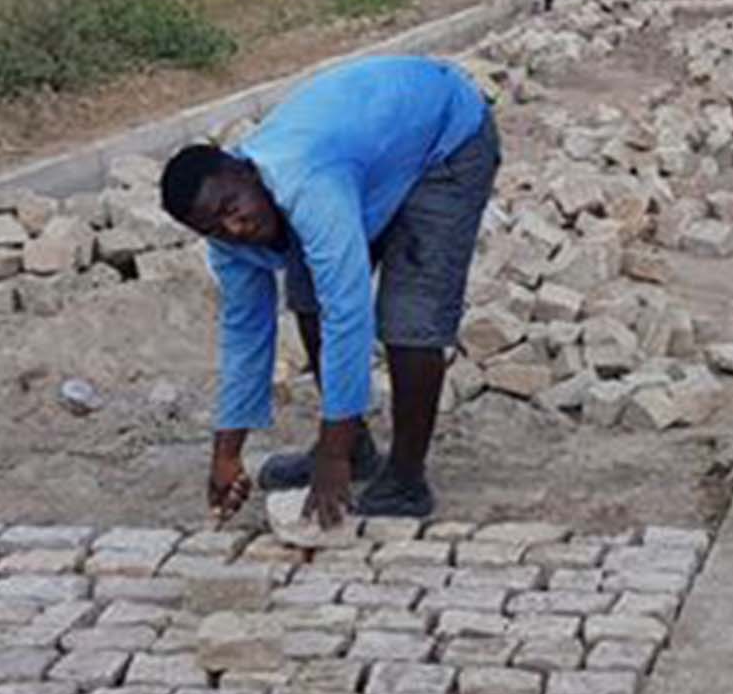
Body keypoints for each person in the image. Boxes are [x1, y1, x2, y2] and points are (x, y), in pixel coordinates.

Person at [160, 56, 501, 524]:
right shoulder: (229, 242)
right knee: (307, 297)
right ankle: (355, 444)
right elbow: (245, 335)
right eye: (214, 225)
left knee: (408, 314)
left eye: (232, 207)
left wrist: (329, 460)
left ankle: (405, 480)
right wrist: (226, 453)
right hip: (371, 155)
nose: (235, 227)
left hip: (444, 138)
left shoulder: (305, 183)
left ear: (247, 172)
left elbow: (350, 310)